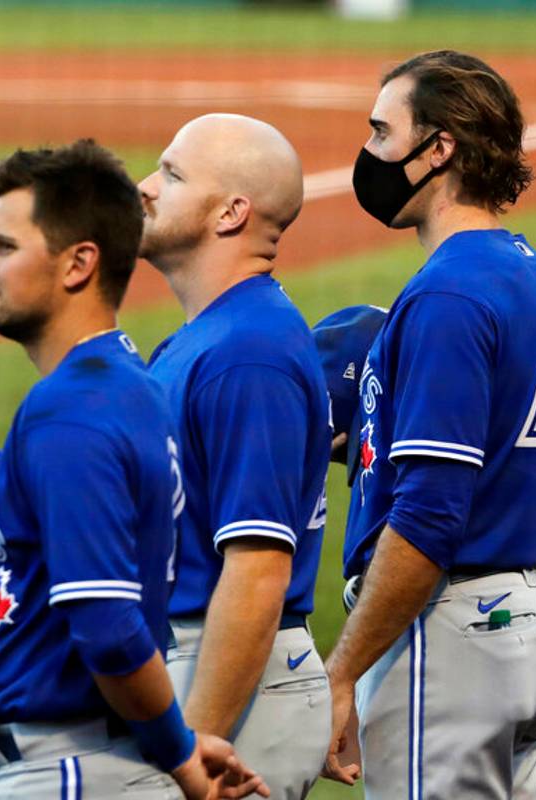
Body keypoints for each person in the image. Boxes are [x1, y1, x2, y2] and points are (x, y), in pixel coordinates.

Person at [0, 140, 265, 799]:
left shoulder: (72, 410)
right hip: (90, 763)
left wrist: (182, 757)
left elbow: (106, 625)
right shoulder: (128, 384)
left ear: (78, 263)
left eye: (3, 245)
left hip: (66, 772)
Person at [320, 50, 536, 799]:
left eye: (380, 133)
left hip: (453, 639)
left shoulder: (450, 293)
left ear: (438, 150)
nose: (366, 154)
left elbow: (431, 516)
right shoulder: (530, 272)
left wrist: (342, 673)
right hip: (525, 618)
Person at [138, 113, 332, 799]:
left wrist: (196, 743)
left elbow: (256, 569)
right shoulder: (208, 338)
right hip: (194, 662)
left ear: (231, 212)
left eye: (171, 174)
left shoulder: (248, 353)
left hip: (229, 685)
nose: (145, 188)